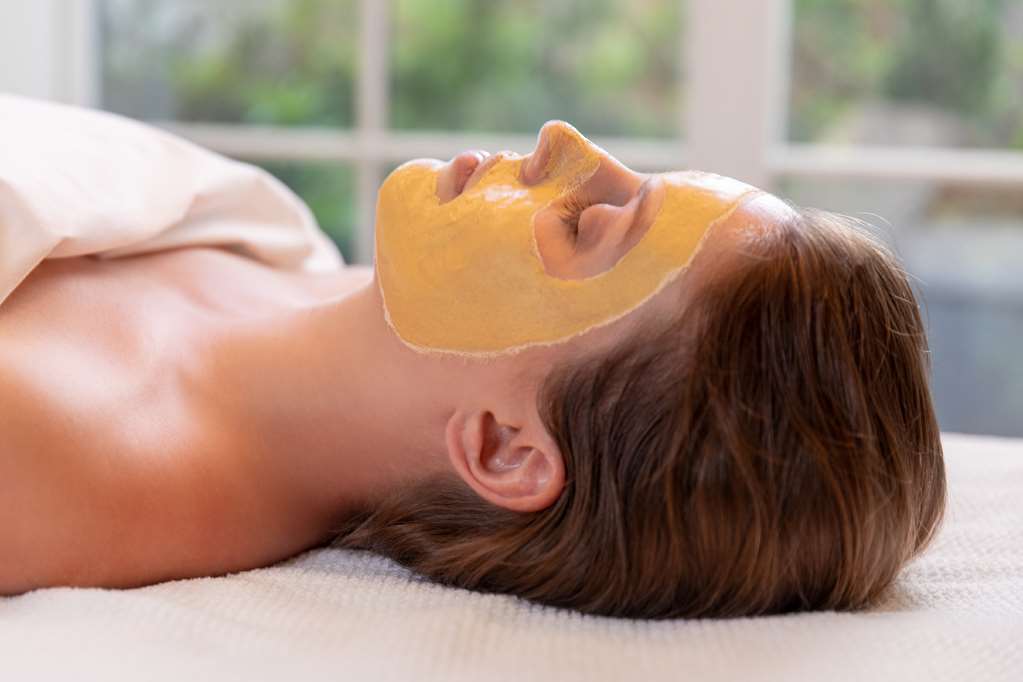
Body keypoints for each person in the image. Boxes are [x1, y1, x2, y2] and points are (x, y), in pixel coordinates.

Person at [0, 109, 945, 619]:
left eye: (590, 225)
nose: (562, 144)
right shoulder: (292, 265)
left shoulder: (50, 448)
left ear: (503, 450)